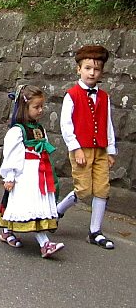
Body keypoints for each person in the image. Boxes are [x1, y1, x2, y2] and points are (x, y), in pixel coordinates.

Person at [56, 45, 117, 249]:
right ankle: (57, 211)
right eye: (88, 68)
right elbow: (66, 125)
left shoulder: (104, 97)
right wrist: (76, 148)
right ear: (79, 69)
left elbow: (107, 123)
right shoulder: (72, 95)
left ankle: (95, 231)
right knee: (83, 190)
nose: (92, 73)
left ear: (101, 72)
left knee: (101, 189)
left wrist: (110, 149)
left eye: (97, 69)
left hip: (100, 149)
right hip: (81, 149)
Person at [0, 85, 64, 258]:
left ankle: (9, 231)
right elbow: (12, 155)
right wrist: (10, 176)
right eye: (36, 107)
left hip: (40, 173)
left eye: (42, 106)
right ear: (24, 107)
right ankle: (44, 243)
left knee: (31, 205)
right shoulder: (17, 131)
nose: (40, 110)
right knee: (26, 205)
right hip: (25, 174)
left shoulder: (40, 129)